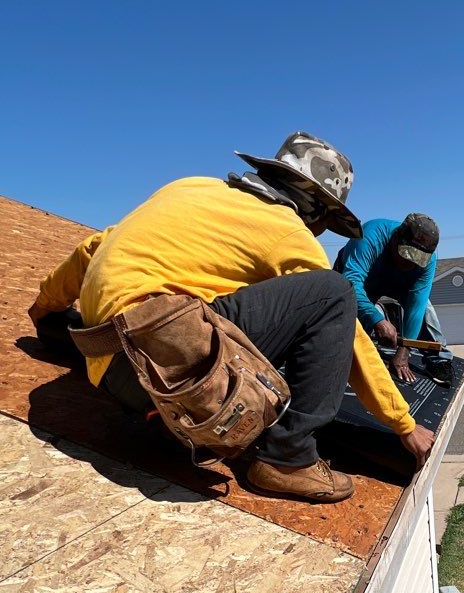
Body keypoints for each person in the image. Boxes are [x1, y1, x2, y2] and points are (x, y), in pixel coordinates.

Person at [28, 133, 435, 502]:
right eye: (325, 222)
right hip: (168, 374)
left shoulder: (187, 188)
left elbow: (93, 246)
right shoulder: (287, 232)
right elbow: (352, 339)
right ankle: (288, 458)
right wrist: (403, 424)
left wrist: (46, 309)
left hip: (104, 359)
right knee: (333, 293)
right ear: (316, 210)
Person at [334, 215, 444, 382]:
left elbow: (416, 305)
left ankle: (439, 360)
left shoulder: (429, 260)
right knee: (344, 321)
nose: (409, 264)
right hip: (363, 279)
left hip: (399, 282)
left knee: (425, 309)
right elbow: (351, 284)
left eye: (417, 260)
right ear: (396, 238)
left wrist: (404, 352)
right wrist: (376, 319)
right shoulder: (369, 235)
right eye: (406, 255)